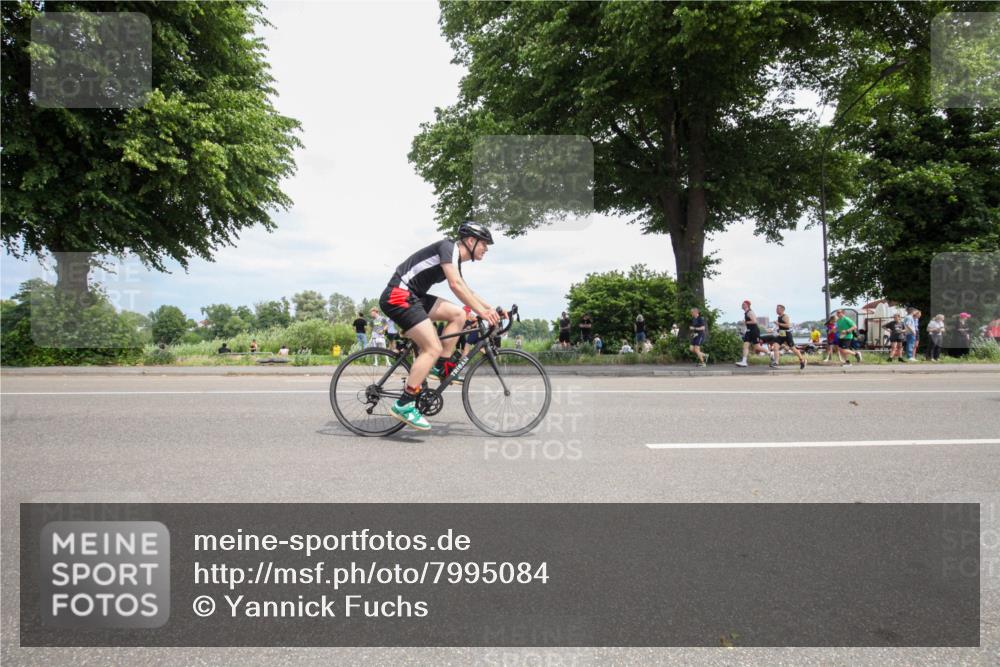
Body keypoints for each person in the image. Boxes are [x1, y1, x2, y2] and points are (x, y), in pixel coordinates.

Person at [378, 221, 501, 431]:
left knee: (458, 315)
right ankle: (405, 403)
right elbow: (455, 285)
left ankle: (441, 365)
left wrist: (493, 308)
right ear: (471, 241)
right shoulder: (448, 247)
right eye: (484, 244)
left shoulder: (454, 259)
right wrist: (482, 313)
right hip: (399, 296)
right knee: (432, 347)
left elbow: (466, 290)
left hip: (414, 297)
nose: (486, 249)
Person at [772, 305, 806, 370]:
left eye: (778, 309)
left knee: (793, 349)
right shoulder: (779, 317)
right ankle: (776, 362)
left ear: (782, 310)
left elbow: (788, 325)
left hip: (787, 335)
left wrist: (778, 323)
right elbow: (780, 326)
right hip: (781, 334)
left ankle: (802, 360)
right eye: (776, 309)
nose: (776, 310)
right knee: (775, 346)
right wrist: (776, 329)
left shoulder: (785, 316)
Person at [734, 300, 763, 367]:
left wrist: (745, 322)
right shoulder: (746, 312)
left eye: (743, 304)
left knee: (757, 347)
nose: (742, 305)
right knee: (745, 346)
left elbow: (754, 321)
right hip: (749, 331)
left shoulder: (750, 312)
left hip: (754, 331)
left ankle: (770, 353)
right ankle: (744, 362)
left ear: (747, 305)